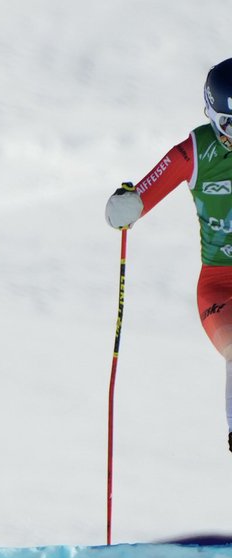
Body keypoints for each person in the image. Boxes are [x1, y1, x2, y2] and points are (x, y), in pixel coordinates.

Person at [105, 57, 232, 451]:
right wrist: (127, 204)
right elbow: (131, 205)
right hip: (220, 285)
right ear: (213, 118)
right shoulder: (196, 151)